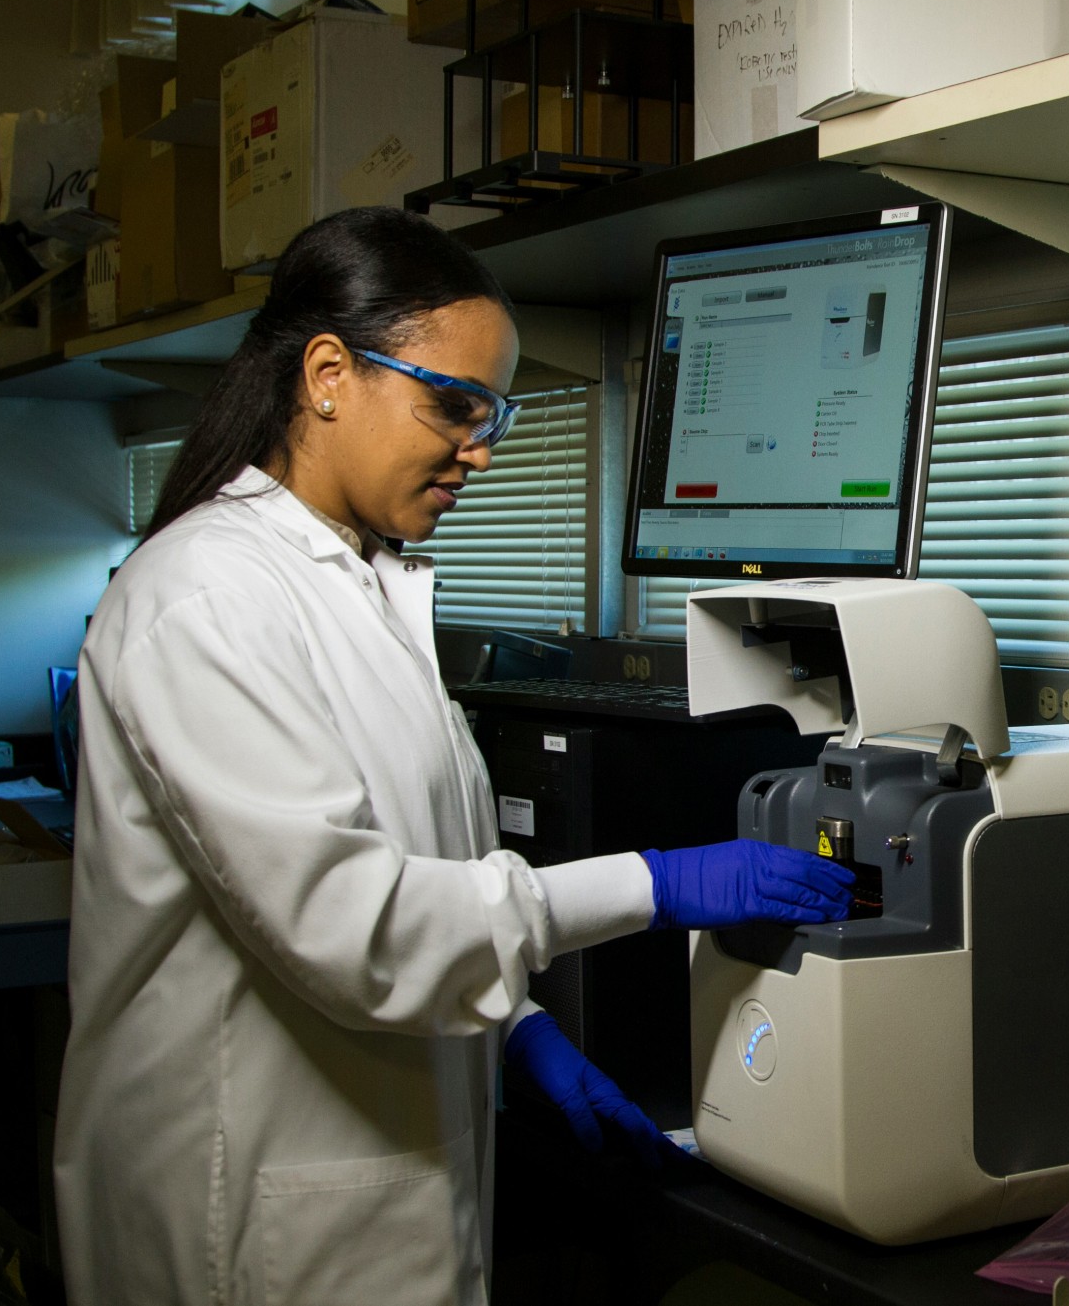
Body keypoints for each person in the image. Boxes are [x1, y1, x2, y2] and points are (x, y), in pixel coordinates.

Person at [52, 206, 854, 1306]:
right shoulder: (205, 598)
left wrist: (516, 1030)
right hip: (243, 1223)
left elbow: (427, 869)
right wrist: (657, 883)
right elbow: (354, 923)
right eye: (453, 406)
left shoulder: (362, 586)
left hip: (373, 1201)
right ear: (328, 373)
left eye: (496, 415)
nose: (479, 448)